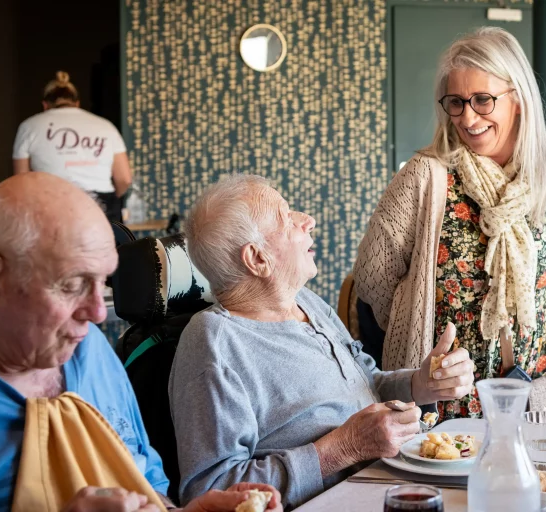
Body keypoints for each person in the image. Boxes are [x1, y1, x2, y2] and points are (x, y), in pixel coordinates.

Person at [0, 173, 281, 512]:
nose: (96, 313)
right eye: (73, 284)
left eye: (102, 283)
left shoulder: (91, 350)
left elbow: (146, 485)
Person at [169, 175, 475, 508]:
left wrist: (420, 384)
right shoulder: (213, 343)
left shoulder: (307, 302)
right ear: (257, 259)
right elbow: (210, 491)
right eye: (287, 218)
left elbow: (366, 384)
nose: (308, 220)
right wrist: (344, 448)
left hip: (388, 481)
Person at [353, 27, 546, 421]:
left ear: (518, 99)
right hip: (444, 410)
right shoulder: (425, 176)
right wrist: (417, 323)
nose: (468, 118)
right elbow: (373, 278)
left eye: (482, 100)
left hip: (534, 406)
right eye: (456, 102)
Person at [12, 71, 132, 223]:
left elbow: (21, 180)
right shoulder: (106, 126)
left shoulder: (29, 126)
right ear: (77, 104)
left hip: (51, 204)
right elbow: (124, 179)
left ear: (45, 105)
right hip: (102, 206)